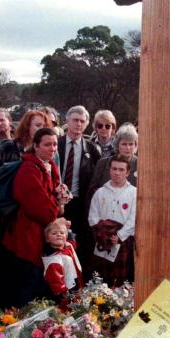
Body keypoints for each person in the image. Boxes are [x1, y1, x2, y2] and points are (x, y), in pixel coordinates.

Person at [3, 127, 69, 306]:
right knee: (29, 288)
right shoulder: (28, 169)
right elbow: (43, 211)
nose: (52, 148)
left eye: (55, 144)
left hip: (43, 238)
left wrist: (59, 202)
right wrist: (58, 206)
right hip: (28, 240)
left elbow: (53, 205)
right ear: (36, 146)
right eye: (47, 144)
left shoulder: (51, 166)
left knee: (44, 286)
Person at [58, 106, 100, 266]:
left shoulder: (91, 149)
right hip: (58, 204)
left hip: (81, 205)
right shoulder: (56, 144)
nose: (78, 124)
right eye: (75, 120)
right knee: (57, 243)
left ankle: (79, 284)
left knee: (80, 246)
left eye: (82, 121)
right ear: (67, 121)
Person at [88, 154, 136, 286]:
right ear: (109, 170)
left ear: (128, 172)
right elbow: (93, 217)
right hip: (102, 242)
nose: (117, 173)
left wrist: (119, 236)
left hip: (123, 242)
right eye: (114, 169)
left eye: (121, 170)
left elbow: (134, 218)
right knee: (101, 278)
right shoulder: (100, 192)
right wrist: (103, 235)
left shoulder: (134, 193)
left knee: (122, 279)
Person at [42, 218, 83, 299]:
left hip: (76, 285)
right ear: (47, 239)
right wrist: (65, 295)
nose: (59, 235)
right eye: (54, 233)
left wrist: (69, 230)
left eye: (62, 233)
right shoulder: (53, 259)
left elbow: (72, 243)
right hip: (66, 292)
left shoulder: (68, 246)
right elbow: (56, 283)